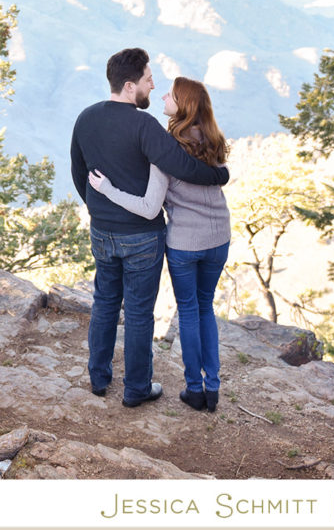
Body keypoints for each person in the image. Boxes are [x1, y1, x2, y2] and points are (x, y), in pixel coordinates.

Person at [70, 49, 230, 408]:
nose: (152, 85)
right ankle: (136, 388)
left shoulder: (85, 118)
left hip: (102, 230)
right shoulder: (144, 126)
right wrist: (220, 174)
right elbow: (183, 166)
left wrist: (99, 207)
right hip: (142, 235)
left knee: (105, 302)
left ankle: (98, 378)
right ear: (130, 86)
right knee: (140, 313)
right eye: (147, 80)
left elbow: (79, 172)